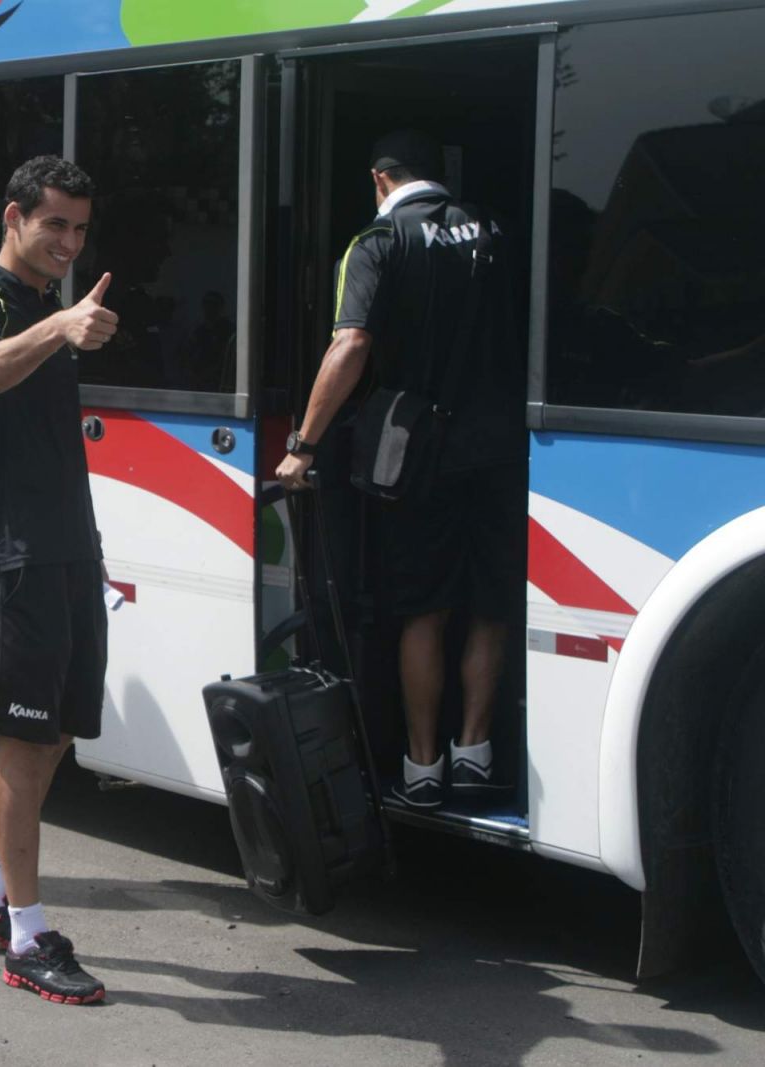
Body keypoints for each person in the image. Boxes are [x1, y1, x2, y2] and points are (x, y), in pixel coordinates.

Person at [275, 130, 526, 810]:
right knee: (491, 604)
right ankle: (475, 754)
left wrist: (303, 443)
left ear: (380, 179)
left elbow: (351, 342)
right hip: (503, 452)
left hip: (420, 458)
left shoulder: (377, 242)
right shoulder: (497, 230)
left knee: (424, 611)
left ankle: (422, 766)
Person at [0, 155, 116, 1005]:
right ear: (14, 218)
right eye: (55, 225)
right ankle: (27, 935)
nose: (69, 243)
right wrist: (61, 327)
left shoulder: (50, 307)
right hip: (13, 555)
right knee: (23, 737)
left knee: (55, 735)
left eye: (80, 229)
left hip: (69, 549)